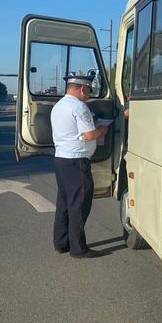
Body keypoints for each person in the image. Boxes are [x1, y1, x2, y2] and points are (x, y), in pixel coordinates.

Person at [50, 73, 109, 259]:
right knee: (79, 205)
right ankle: (78, 249)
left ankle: (61, 243)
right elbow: (90, 135)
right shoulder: (79, 106)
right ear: (83, 89)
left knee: (64, 204)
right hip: (76, 161)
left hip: (61, 159)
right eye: (89, 91)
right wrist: (103, 128)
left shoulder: (58, 106)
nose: (89, 95)